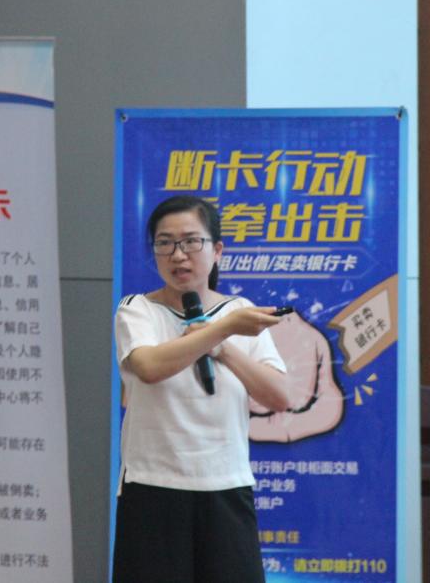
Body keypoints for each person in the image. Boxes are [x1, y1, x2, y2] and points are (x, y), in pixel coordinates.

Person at [112, 195, 290, 583]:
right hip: (153, 485)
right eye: (165, 243)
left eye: (191, 241)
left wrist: (223, 346)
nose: (178, 255)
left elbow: (280, 396)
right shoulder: (137, 310)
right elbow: (149, 368)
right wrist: (221, 329)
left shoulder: (240, 312)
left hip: (227, 485)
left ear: (217, 250)